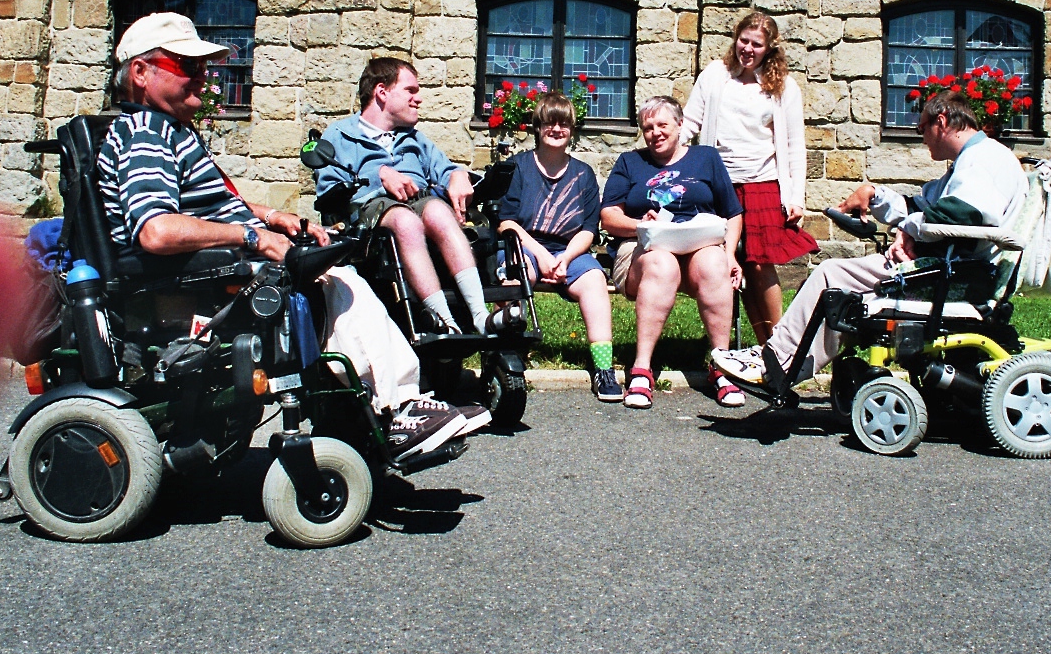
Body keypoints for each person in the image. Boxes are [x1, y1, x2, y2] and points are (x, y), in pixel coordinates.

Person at [98, 17, 484, 460]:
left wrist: (271, 216)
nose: (203, 76)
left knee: (335, 269)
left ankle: (384, 408)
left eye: (204, 67)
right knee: (337, 282)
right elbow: (156, 230)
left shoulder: (170, 131)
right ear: (140, 73)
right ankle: (396, 408)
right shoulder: (145, 134)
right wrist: (253, 237)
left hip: (221, 261)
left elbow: (200, 204)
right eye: (187, 66)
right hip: (193, 278)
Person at [711, 88, 1028, 388]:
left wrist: (910, 229)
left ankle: (772, 360)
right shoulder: (973, 161)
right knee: (842, 294)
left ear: (941, 122)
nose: (922, 139)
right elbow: (923, 206)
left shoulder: (986, 158)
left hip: (954, 276)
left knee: (830, 276)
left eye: (922, 129)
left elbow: (966, 213)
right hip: (950, 269)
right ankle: (783, 367)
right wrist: (874, 195)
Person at [316, 57, 491, 338]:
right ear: (382, 92)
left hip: (419, 201)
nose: (418, 99)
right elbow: (328, 188)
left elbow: (445, 169)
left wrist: (458, 175)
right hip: (371, 211)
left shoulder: (414, 138)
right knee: (405, 221)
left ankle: (480, 316)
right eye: (410, 90)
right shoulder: (339, 135)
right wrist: (379, 175)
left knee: (438, 211)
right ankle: (446, 323)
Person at [681, 10, 816, 357]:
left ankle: (780, 347)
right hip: (718, 182)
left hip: (762, 182)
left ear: (769, 48)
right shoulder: (715, 75)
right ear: (735, 38)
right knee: (723, 265)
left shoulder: (783, 86)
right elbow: (691, 121)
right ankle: (745, 348)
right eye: (744, 40)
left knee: (758, 264)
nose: (748, 49)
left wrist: (796, 197)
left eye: (757, 44)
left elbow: (794, 145)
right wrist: (671, 156)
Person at [600, 95, 745, 409]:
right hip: (643, 250)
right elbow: (609, 216)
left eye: (662, 125)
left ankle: (722, 366)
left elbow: (733, 213)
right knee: (662, 263)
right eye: (648, 127)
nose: (655, 133)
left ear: (680, 125)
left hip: (699, 246)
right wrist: (640, 224)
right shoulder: (630, 162)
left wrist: (730, 254)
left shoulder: (706, 158)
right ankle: (641, 369)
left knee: (714, 262)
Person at [496, 93, 620, 402]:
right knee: (516, 274)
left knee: (595, 280)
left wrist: (565, 258)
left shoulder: (583, 174)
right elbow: (506, 222)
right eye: (549, 123)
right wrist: (541, 255)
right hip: (524, 246)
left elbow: (588, 229)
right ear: (538, 127)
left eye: (564, 123)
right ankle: (508, 356)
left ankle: (604, 369)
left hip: (569, 251)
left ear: (572, 129)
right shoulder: (517, 167)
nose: (556, 129)